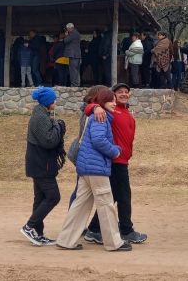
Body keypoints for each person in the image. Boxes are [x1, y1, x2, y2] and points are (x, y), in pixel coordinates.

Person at [55, 89, 131, 252]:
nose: (114, 103)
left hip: (86, 168)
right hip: (96, 168)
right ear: (102, 102)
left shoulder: (96, 114)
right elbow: (99, 140)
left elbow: (89, 109)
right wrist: (115, 150)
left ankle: (66, 240)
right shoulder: (101, 117)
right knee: (106, 204)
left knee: (80, 204)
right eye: (111, 100)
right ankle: (113, 243)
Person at [84, 83, 147, 245]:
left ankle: (94, 229)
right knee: (124, 196)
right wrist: (95, 107)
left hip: (122, 161)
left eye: (126, 92)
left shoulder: (126, 111)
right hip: (114, 161)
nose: (124, 94)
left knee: (114, 196)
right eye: (120, 92)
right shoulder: (107, 110)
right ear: (113, 95)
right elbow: (87, 105)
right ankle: (126, 230)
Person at [21, 87, 66, 246]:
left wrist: (55, 125)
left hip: (39, 164)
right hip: (42, 165)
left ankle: (37, 234)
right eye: (53, 99)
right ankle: (30, 226)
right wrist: (59, 127)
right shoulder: (40, 117)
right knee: (54, 197)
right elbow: (49, 141)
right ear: (48, 101)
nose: (55, 102)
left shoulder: (41, 114)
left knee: (40, 198)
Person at [63, 23, 82, 87]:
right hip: (76, 55)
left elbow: (65, 41)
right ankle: (77, 84)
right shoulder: (76, 33)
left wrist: (66, 35)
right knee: (76, 70)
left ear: (70, 28)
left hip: (73, 55)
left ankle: (74, 85)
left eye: (67, 29)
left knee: (73, 70)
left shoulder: (73, 34)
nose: (67, 30)